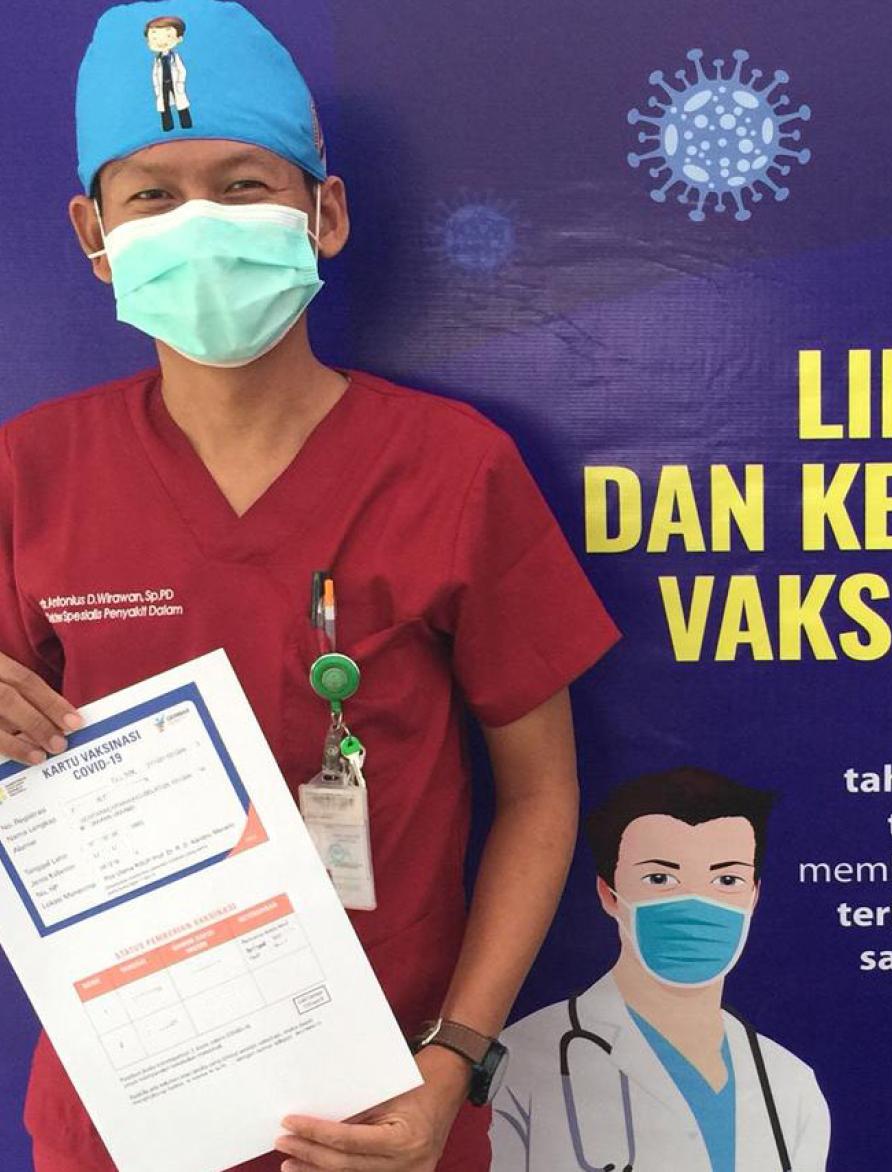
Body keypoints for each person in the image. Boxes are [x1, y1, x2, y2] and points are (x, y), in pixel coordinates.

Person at [1, 2, 619, 1169]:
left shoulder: (451, 467)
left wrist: (452, 1066)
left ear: (322, 214)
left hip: (388, 1114)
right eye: (152, 197)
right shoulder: (30, 470)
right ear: (94, 233)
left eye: (244, 186)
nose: (201, 224)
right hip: (120, 1112)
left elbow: (541, 799)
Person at [489, 767, 832, 1172]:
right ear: (609, 894)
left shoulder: (790, 1086)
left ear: (753, 896)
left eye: (726, 879)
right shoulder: (521, 1063)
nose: (695, 901)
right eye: (660, 878)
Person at [145, 15, 192, 131]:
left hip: (175, 84)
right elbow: (155, 75)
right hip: (163, 85)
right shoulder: (157, 60)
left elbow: (182, 70)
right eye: (154, 37)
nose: (161, 41)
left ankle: (186, 125)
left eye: (168, 35)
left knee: (181, 105)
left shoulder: (175, 58)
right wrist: (156, 88)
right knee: (164, 106)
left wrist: (180, 83)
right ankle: (167, 127)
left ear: (179, 38)